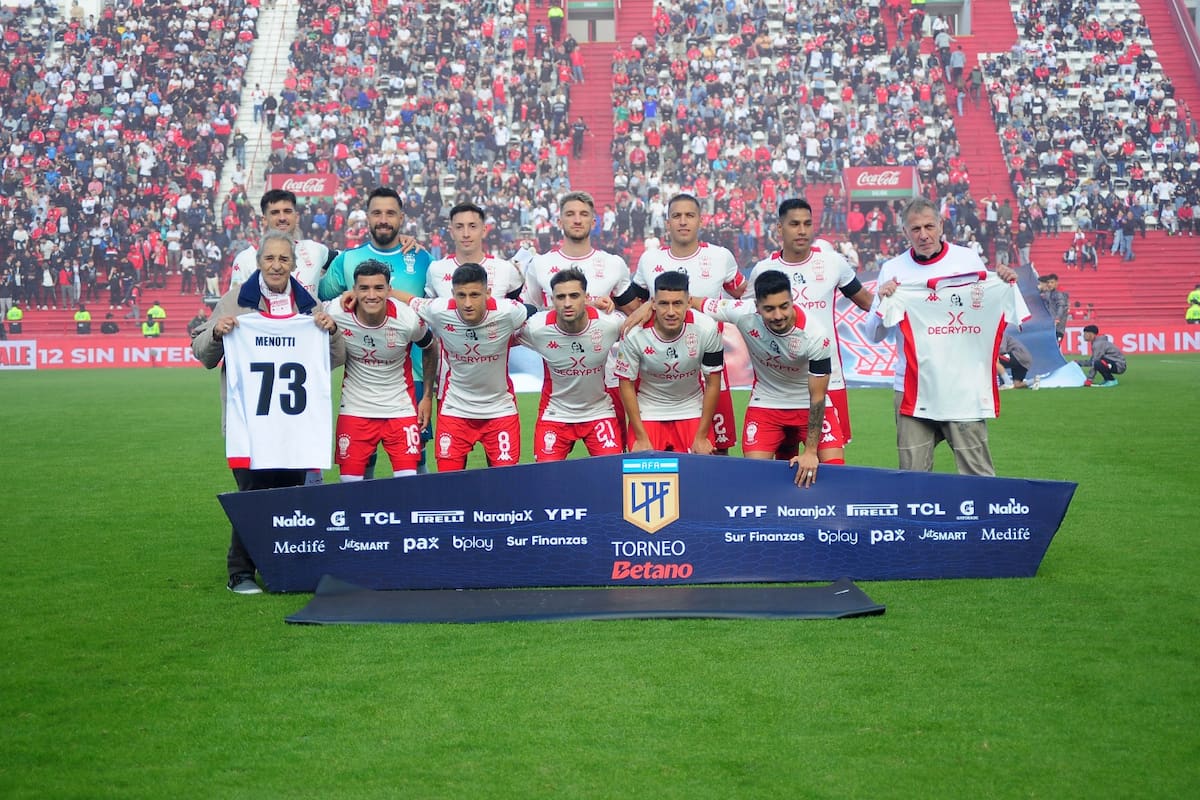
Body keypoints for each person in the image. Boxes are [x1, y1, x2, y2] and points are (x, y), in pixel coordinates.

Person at [192, 231, 345, 594]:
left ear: (294, 264)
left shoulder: (308, 306)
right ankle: (240, 572)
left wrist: (333, 331)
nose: (277, 265)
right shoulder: (235, 300)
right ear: (258, 262)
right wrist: (216, 333)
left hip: (294, 423)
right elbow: (203, 353)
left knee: (289, 497)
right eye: (270, 259)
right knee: (253, 495)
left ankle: (283, 567)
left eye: (283, 259)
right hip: (249, 421)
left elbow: (334, 359)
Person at [869, 197, 1026, 476]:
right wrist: (882, 302)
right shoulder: (892, 269)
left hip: (962, 386)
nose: (924, 235)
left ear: (941, 225)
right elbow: (874, 334)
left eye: (929, 226)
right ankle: (918, 522)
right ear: (904, 232)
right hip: (912, 387)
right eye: (915, 229)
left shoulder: (966, 259)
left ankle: (982, 520)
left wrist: (1002, 281)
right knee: (912, 476)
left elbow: (986, 309)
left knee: (978, 473)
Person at [320, 187, 433, 474]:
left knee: (416, 460)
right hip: (363, 383)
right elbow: (320, 301)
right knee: (362, 460)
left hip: (413, 377)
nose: (384, 219)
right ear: (367, 217)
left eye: (390, 213)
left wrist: (428, 394)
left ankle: (417, 516)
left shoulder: (422, 258)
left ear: (402, 218)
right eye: (377, 213)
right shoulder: (346, 260)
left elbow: (433, 310)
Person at [387, 263, 537, 471]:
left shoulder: (508, 312)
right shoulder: (439, 310)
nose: (467, 303)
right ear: (452, 294)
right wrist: (378, 291)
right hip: (455, 411)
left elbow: (535, 313)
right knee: (449, 486)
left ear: (488, 293)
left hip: (500, 411)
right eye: (461, 295)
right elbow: (408, 300)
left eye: (475, 295)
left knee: (505, 485)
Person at [747, 198, 874, 445]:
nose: (802, 230)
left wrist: (895, 296)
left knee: (829, 463)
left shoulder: (833, 263)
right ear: (779, 229)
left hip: (830, 377)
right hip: (779, 385)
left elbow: (868, 302)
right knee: (783, 460)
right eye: (794, 224)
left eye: (807, 223)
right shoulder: (763, 270)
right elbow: (746, 314)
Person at [523, 191, 644, 444]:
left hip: (608, 378)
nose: (577, 220)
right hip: (559, 380)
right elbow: (530, 314)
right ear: (559, 221)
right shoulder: (540, 265)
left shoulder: (613, 264)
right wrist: (588, 302)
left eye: (584, 214)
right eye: (570, 214)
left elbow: (634, 314)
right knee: (551, 472)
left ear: (594, 221)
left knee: (611, 468)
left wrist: (616, 308)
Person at [695, 270, 836, 486]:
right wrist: (649, 306)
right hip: (767, 404)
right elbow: (690, 302)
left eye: (784, 306)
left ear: (792, 300)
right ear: (757, 307)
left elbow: (818, 397)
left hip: (809, 404)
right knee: (754, 477)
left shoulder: (816, 335)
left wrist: (810, 451)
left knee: (835, 473)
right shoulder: (742, 313)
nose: (778, 315)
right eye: (769, 309)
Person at [633, 193, 746, 454]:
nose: (683, 221)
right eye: (676, 216)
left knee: (715, 449)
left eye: (689, 215)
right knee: (661, 451)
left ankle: (713, 496)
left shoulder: (720, 257)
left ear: (700, 221)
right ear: (667, 222)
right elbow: (635, 306)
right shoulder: (650, 260)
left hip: (710, 368)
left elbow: (745, 296)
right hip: (662, 372)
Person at [327, 260, 437, 480]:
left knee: (408, 484)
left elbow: (430, 347)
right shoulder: (336, 313)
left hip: (400, 409)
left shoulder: (407, 320)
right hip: (355, 410)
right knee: (350, 486)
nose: (371, 295)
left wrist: (426, 397)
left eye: (378, 288)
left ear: (389, 290)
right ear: (354, 290)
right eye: (364, 288)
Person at [517, 268, 625, 461]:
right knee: (547, 481)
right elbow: (498, 336)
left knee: (612, 476)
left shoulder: (610, 324)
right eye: (560, 297)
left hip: (599, 412)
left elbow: (641, 329)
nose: (567, 303)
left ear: (586, 297)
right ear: (552, 300)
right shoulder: (537, 328)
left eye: (574, 296)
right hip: (555, 415)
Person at [615, 271, 724, 455]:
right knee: (644, 475)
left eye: (678, 303)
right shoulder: (634, 334)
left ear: (689, 302)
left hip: (691, 409)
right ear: (653, 304)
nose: (671, 312)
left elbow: (713, 383)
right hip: (648, 411)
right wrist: (641, 438)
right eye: (664, 304)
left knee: (698, 476)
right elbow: (626, 385)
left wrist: (701, 436)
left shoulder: (707, 328)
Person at [230, 189, 336, 298]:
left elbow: (347, 261)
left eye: (287, 211)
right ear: (264, 220)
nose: (282, 218)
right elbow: (236, 307)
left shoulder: (314, 250)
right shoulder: (245, 259)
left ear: (296, 217)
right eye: (275, 212)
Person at [426, 202, 524, 300]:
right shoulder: (435, 269)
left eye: (472, 226)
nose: (466, 234)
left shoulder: (505, 269)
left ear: (484, 230)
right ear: (451, 232)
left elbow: (520, 309)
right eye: (459, 227)